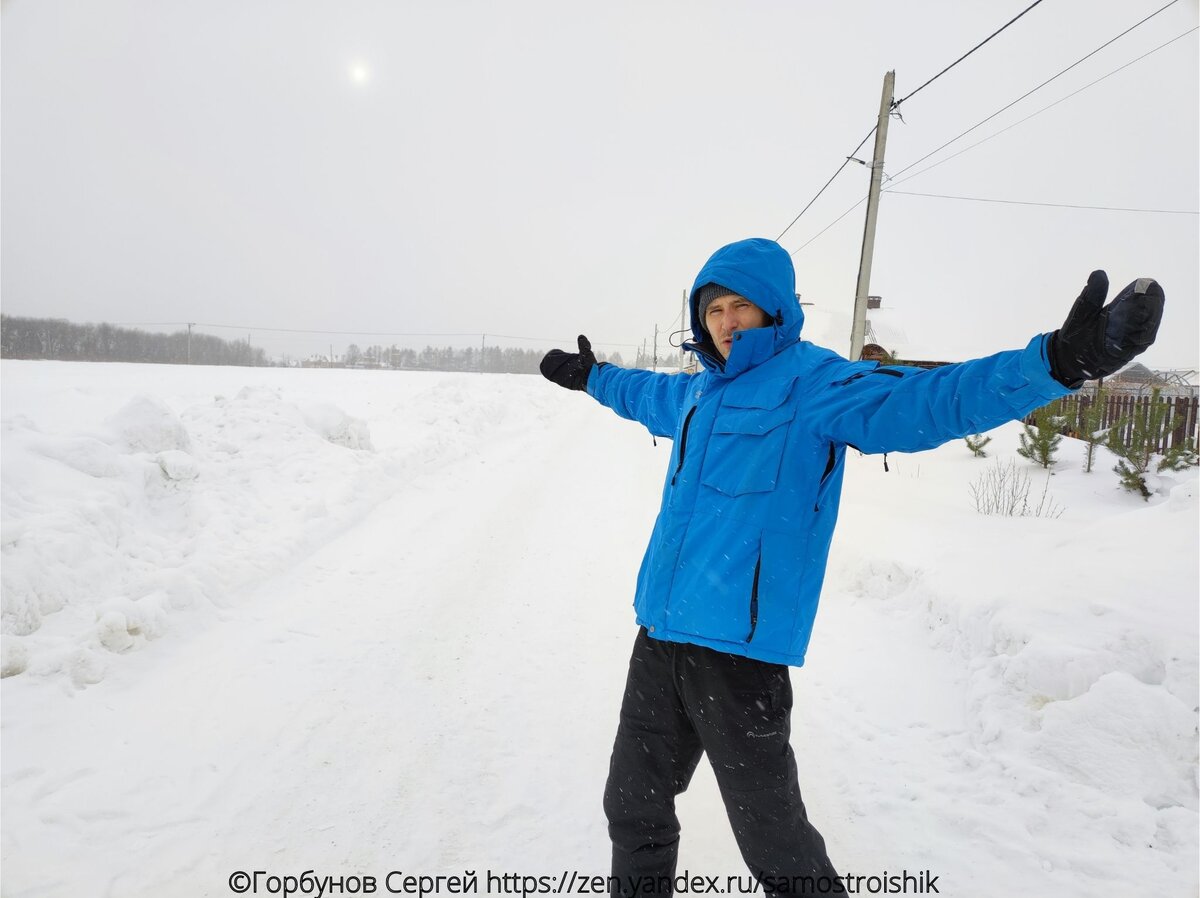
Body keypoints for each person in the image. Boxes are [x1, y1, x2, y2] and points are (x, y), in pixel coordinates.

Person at [539, 237, 1164, 896]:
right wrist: (593, 377)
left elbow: (929, 399)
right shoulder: (700, 395)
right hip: (659, 638)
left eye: (740, 306)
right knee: (632, 809)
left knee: (776, 846)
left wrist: (1060, 362)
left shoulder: (815, 385)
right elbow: (646, 393)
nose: (725, 321)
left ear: (773, 310)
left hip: (738, 656)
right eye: (714, 308)